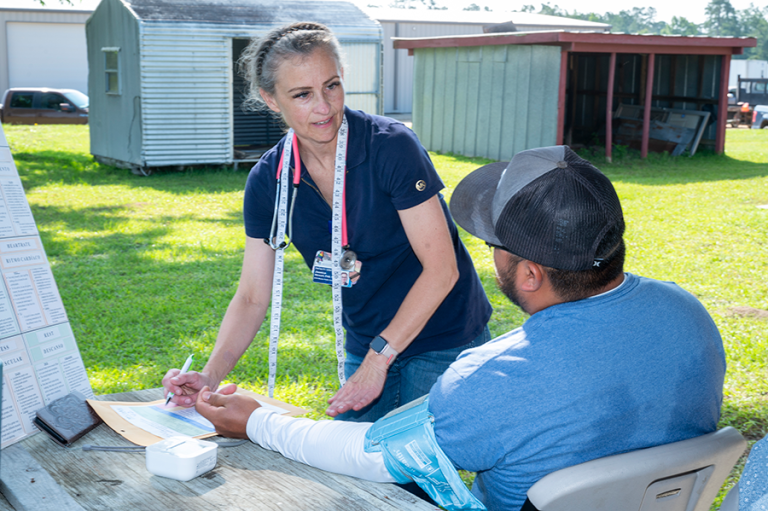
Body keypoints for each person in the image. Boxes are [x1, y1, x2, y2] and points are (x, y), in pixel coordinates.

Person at [195, 145, 726, 511]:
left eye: (496, 247)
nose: (489, 256)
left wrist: (258, 422)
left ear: (530, 275)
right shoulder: (689, 315)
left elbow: (372, 458)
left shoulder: (494, 378)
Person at [162, 22, 491, 422]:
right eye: (302, 95)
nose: (324, 106)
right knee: (354, 465)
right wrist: (209, 376)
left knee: (415, 468)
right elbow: (251, 295)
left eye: (331, 86)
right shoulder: (270, 180)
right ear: (270, 99)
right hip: (366, 338)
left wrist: (378, 362)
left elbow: (442, 270)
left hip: (442, 334)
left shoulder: (391, 148)